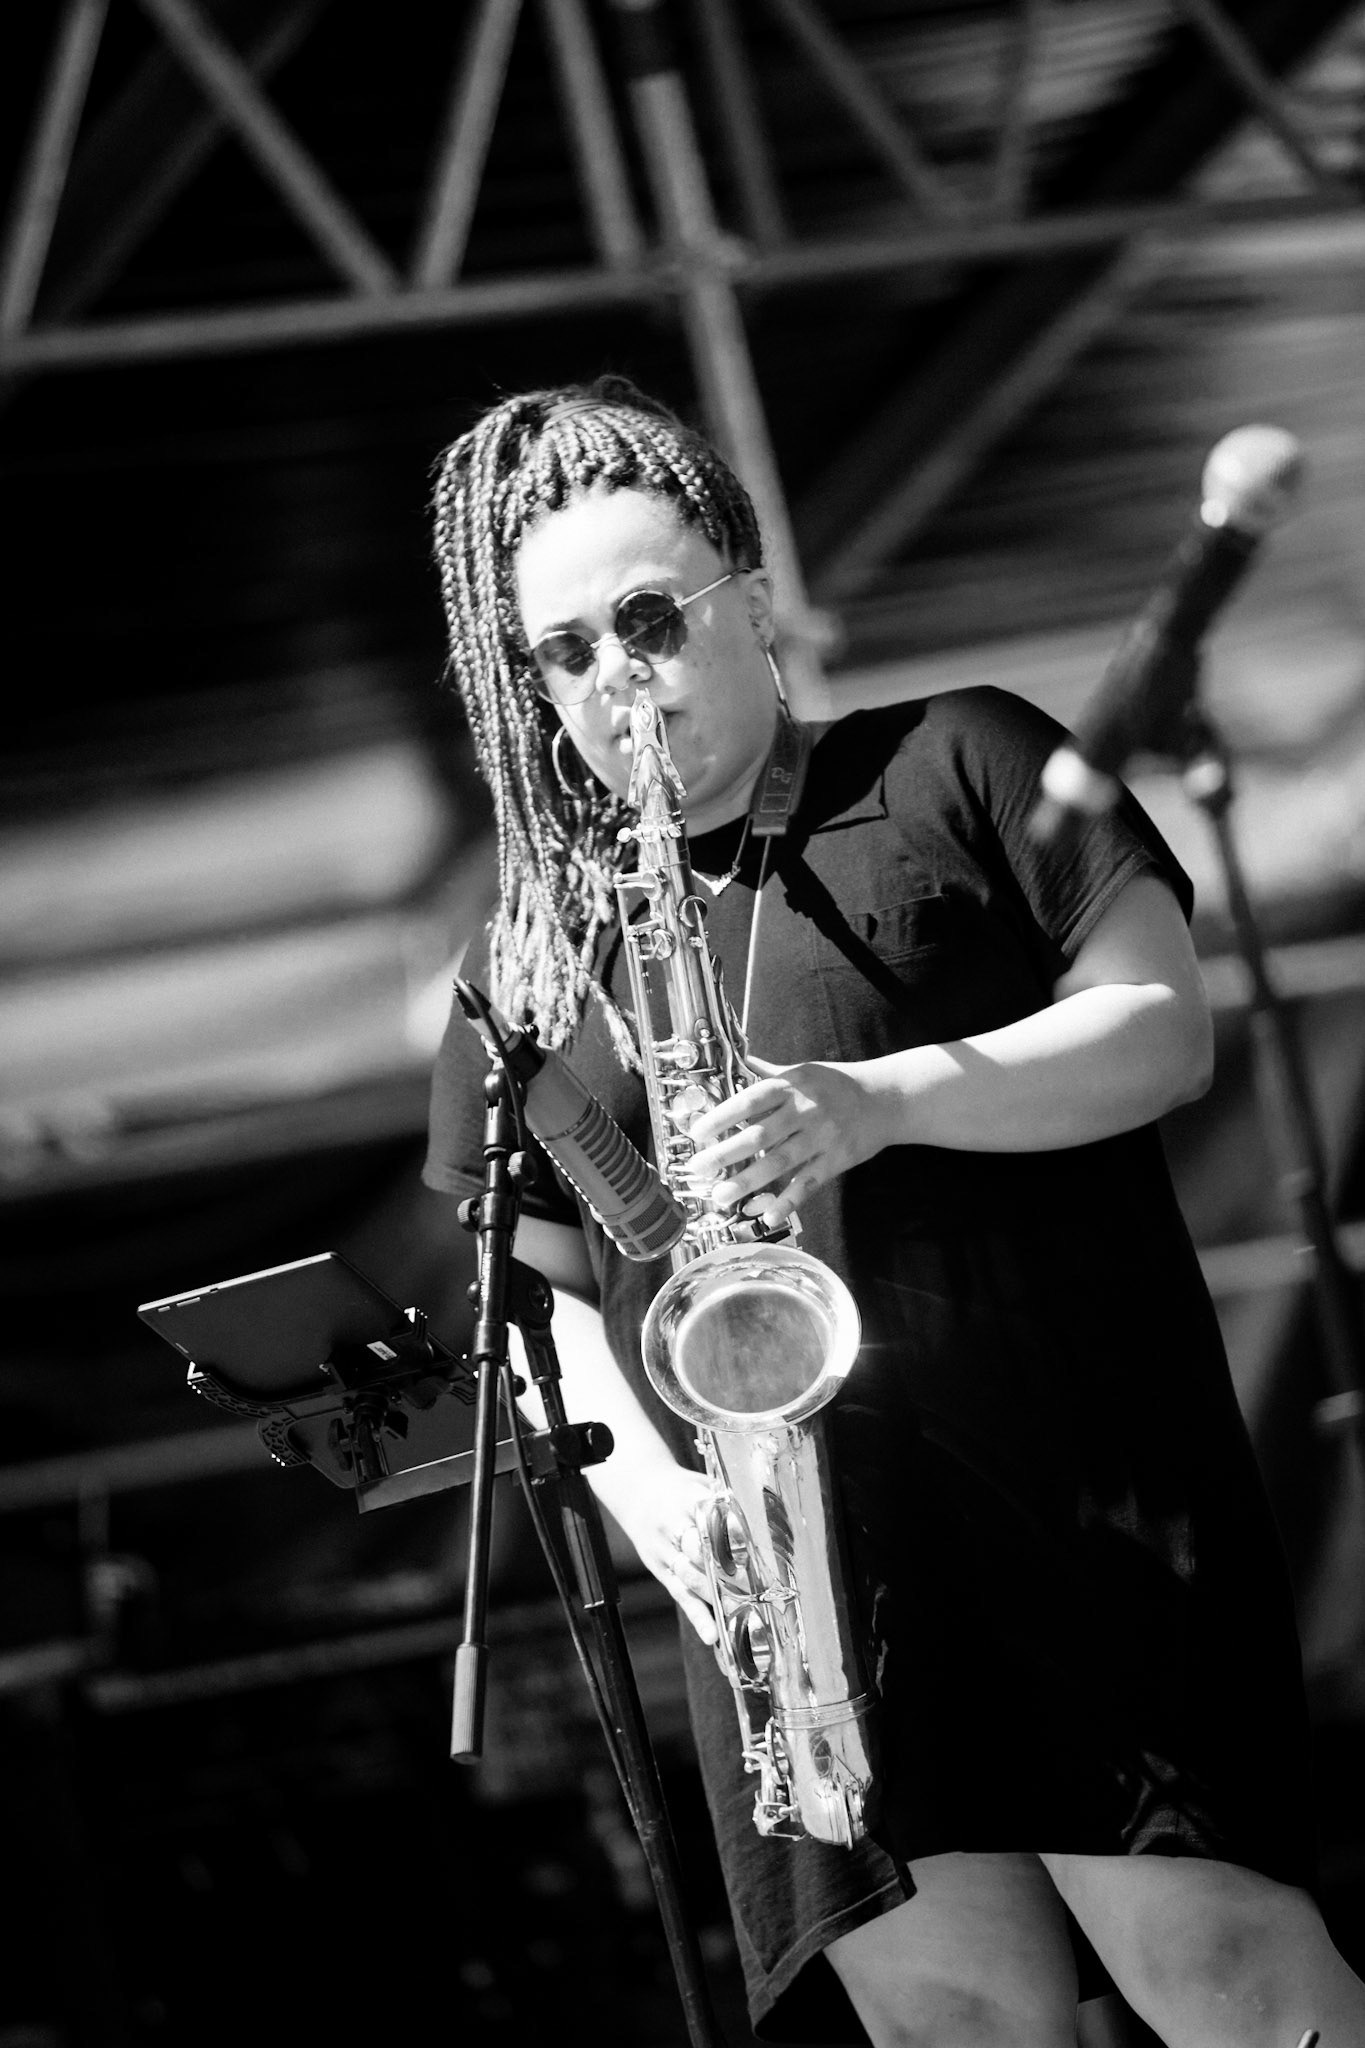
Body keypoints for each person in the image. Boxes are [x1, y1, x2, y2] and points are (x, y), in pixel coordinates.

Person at [423, 376, 1365, 2048]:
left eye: (646, 618)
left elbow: (1163, 1031)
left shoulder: (964, 755)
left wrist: (876, 1099)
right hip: (793, 1575)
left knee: (1222, 1977)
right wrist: (654, 1505)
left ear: (749, 594)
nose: (614, 679)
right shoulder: (534, 963)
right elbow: (532, 1292)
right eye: (563, 654)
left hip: (1068, 1484)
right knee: (956, 2032)